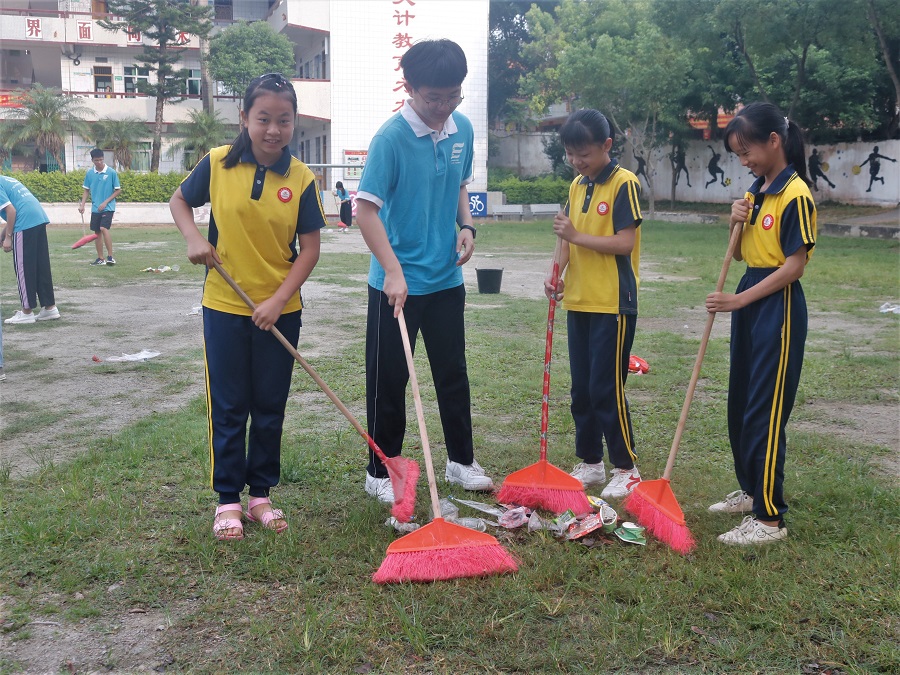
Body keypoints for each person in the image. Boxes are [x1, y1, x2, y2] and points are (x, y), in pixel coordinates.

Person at [169, 72, 326, 540]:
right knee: (230, 404)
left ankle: (261, 494)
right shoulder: (216, 163)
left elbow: (311, 248)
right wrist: (194, 237)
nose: (273, 129)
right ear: (244, 119)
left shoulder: (301, 177)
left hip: (281, 310)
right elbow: (179, 202)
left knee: (270, 404)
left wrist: (278, 301)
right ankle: (227, 500)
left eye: (284, 120)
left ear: (294, 122)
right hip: (225, 305)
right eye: (263, 119)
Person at [355, 39, 493, 503]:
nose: (443, 107)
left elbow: (458, 183)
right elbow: (365, 212)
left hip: (444, 280)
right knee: (389, 378)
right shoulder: (390, 139)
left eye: (453, 96)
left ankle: (461, 461)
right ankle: (381, 469)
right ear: (410, 88)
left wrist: (467, 225)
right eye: (434, 98)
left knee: (453, 372)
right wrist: (392, 270)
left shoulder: (462, 130)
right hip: (394, 285)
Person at [705, 102, 817, 546]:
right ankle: (751, 491)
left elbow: (794, 267)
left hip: (778, 305)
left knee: (766, 410)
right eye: (737, 154)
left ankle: (769, 518)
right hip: (751, 292)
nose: (744, 160)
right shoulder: (756, 192)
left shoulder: (796, 195)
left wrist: (737, 300)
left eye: (746, 150)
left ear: (774, 141)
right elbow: (740, 255)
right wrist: (735, 223)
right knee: (741, 402)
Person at [544, 108, 643, 500]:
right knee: (581, 389)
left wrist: (575, 236)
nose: (576, 161)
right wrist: (557, 271)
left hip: (613, 303)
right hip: (580, 301)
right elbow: (564, 238)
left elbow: (624, 242)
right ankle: (590, 461)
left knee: (606, 388)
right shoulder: (577, 184)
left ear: (606, 145)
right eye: (570, 154)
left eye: (583, 154)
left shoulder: (624, 184)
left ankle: (626, 467)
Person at [1, 176, 61, 325]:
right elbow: (18, 207)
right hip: (38, 218)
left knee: (23, 268)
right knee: (41, 266)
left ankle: (26, 312)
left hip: (24, 223)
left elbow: (12, 212)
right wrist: (3, 234)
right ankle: (50, 308)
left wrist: (8, 238)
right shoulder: (7, 179)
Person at [79, 148, 121, 266]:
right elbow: (86, 190)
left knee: (103, 228)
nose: (99, 162)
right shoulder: (90, 174)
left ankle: (110, 257)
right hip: (95, 207)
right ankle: (100, 258)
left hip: (108, 207)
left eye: (101, 160)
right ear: (92, 160)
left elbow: (118, 190)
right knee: (97, 232)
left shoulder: (111, 172)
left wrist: (105, 202)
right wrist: (82, 205)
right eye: (96, 160)